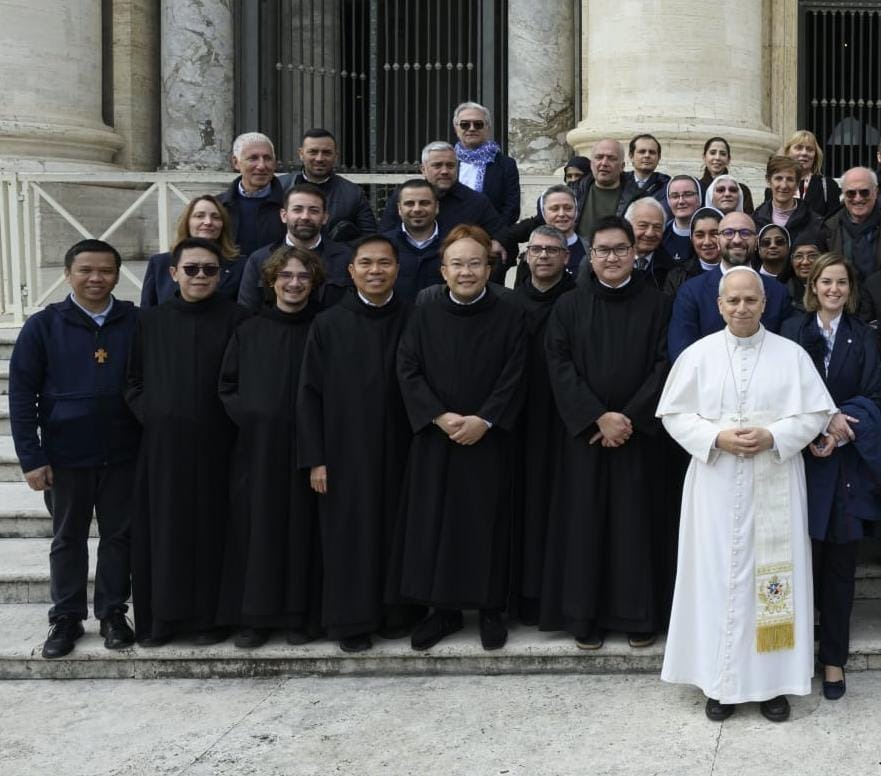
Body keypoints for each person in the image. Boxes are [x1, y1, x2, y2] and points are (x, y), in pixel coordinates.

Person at [657, 266, 836, 723]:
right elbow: (675, 414)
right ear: (719, 305)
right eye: (733, 301)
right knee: (715, 581)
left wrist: (774, 435)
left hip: (773, 483)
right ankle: (720, 685)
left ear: (765, 303)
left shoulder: (791, 355)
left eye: (750, 300)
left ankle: (772, 686)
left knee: (771, 582)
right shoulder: (697, 356)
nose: (741, 308)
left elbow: (816, 411)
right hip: (714, 490)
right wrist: (717, 439)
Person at [390, 224, 526, 652]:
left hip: (489, 438)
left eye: (474, 263)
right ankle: (442, 611)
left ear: (489, 268)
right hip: (438, 436)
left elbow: (517, 373)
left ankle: (490, 609)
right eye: (457, 264)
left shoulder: (511, 310)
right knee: (436, 523)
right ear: (442, 270)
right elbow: (407, 366)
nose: (466, 272)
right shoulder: (424, 308)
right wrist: (438, 415)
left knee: (488, 523)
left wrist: (485, 419)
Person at [542, 215, 673, 649]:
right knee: (586, 526)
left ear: (635, 253)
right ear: (590, 255)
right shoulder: (569, 306)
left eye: (620, 249)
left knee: (636, 526)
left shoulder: (657, 304)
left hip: (638, 439)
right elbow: (559, 367)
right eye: (603, 250)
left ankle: (638, 616)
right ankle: (586, 617)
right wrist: (597, 416)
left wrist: (628, 418)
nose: (612, 257)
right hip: (586, 438)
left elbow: (663, 365)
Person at [9, 239, 139, 658]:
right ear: (68, 273)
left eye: (105, 270)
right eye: (86, 270)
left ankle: (113, 613)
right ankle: (65, 616)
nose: (96, 278)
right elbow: (21, 395)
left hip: (123, 453)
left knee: (119, 537)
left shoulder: (134, 321)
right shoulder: (43, 325)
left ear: (117, 275)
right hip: (65, 456)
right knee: (68, 538)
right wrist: (32, 456)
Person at [126, 237, 251, 646]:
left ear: (222, 274)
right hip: (165, 450)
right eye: (192, 269)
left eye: (209, 270)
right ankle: (162, 621)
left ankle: (210, 621)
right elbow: (133, 382)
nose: (200, 276)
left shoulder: (239, 319)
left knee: (215, 533)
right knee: (165, 534)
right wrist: (158, 416)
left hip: (220, 446)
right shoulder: (149, 322)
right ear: (173, 273)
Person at [297, 235, 417, 652]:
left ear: (397, 270)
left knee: (396, 532)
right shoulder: (328, 324)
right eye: (366, 263)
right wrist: (316, 459)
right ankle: (351, 622)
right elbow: (309, 394)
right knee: (350, 537)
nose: (375, 271)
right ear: (350, 272)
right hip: (344, 453)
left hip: (402, 449)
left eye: (384, 263)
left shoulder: (414, 317)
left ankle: (395, 614)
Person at [781, 254, 881, 700]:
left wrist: (840, 430)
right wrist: (815, 427)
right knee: (796, 568)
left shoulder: (865, 337)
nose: (834, 289)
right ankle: (792, 658)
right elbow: (780, 392)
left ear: (850, 288)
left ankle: (833, 660)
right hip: (798, 463)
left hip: (844, 466)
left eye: (842, 282)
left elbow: (876, 394)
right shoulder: (791, 332)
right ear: (813, 285)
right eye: (826, 281)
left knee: (840, 569)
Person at [216, 246, 325, 648]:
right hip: (258, 450)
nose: (294, 283)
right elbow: (227, 386)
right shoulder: (249, 330)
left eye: (302, 277)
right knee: (257, 530)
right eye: (286, 276)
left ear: (313, 284)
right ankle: (256, 618)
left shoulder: (324, 327)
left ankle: (298, 616)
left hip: (308, 449)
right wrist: (255, 415)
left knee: (303, 531)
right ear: (272, 281)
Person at [508, 225, 576, 624]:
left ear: (567, 257)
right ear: (527, 256)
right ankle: (524, 597)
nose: (545, 256)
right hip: (521, 418)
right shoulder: (510, 303)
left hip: (566, 419)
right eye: (537, 250)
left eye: (553, 250)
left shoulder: (576, 303)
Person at [667, 211, 792, 361]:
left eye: (745, 233)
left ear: (756, 240)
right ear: (718, 240)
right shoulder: (691, 292)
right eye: (728, 233)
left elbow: (784, 351)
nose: (737, 240)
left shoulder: (778, 292)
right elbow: (682, 353)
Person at [237, 183, 352, 311]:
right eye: (297, 210)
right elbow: (246, 312)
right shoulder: (259, 260)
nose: (305, 217)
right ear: (284, 215)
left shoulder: (346, 258)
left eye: (314, 211)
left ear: (325, 217)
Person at [379, 141, 503, 241]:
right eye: (437, 166)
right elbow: (384, 238)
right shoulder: (404, 196)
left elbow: (503, 244)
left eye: (450, 166)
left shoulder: (477, 202)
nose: (444, 171)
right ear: (423, 169)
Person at [140, 195, 242, 307]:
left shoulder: (240, 265)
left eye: (216, 217)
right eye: (199, 216)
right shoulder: (160, 263)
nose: (208, 222)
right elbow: (147, 311)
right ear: (187, 222)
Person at [277, 128, 377, 242]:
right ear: (301, 154)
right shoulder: (279, 187)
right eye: (313, 152)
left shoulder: (353, 194)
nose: (319, 158)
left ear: (336, 155)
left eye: (327, 152)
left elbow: (369, 239)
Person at [217, 132, 286, 257]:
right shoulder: (217, 206)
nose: (261, 166)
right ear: (235, 162)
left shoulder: (290, 206)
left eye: (267, 158)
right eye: (253, 158)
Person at [451, 101, 520, 225]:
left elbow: (512, 208)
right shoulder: (446, 161)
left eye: (478, 124)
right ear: (456, 128)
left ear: (487, 128)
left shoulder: (506, 165)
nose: (471, 129)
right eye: (465, 124)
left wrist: (495, 237)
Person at [381, 178, 443, 301]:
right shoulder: (383, 246)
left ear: (436, 207)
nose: (417, 209)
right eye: (409, 203)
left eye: (424, 203)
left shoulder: (454, 245)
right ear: (399, 209)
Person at [573, 138, 646, 239]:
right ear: (591, 164)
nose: (604, 163)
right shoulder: (573, 193)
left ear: (622, 166)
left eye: (611, 158)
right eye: (599, 157)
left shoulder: (638, 199)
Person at [821, 166, 881, 282]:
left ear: (875, 192)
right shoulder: (827, 229)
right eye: (851, 193)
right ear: (843, 194)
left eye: (864, 192)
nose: (858, 199)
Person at [753, 155, 822, 247]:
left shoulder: (815, 223)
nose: (784, 185)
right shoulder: (754, 221)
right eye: (778, 178)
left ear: (797, 184)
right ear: (768, 181)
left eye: (790, 179)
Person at [780, 129, 841, 218]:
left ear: (815, 155)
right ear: (788, 152)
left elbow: (834, 223)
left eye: (809, 149)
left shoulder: (828, 185)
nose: (804, 153)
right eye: (799, 147)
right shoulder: (777, 183)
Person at [663, 207, 723, 296]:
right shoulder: (677, 276)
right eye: (700, 235)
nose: (707, 242)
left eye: (714, 234)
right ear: (691, 238)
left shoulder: (739, 271)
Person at [698, 136, 755, 214]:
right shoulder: (697, 190)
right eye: (712, 153)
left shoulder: (742, 190)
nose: (717, 157)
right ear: (704, 157)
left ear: (728, 159)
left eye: (723, 154)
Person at [621, 133, 670, 204]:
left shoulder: (667, 185)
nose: (647, 155)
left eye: (652, 152)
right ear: (631, 156)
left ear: (659, 157)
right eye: (642, 152)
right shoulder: (619, 182)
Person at [662, 175, 702, 261]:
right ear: (668, 201)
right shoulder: (661, 235)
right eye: (675, 196)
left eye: (688, 195)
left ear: (699, 199)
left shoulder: (712, 234)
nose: (681, 201)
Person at [787, 230, 825, 313]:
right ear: (791, 260)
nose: (805, 262)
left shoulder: (832, 291)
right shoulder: (783, 293)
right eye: (799, 256)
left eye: (812, 256)